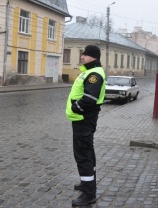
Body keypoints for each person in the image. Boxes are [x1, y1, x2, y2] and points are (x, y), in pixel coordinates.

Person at [65, 45, 106, 206]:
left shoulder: (94, 74)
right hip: (82, 118)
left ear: (93, 57)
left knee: (82, 154)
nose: (82, 57)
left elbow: (90, 98)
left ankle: (89, 193)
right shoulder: (89, 71)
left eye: (85, 55)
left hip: (83, 118)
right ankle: (87, 182)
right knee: (87, 150)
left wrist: (77, 108)